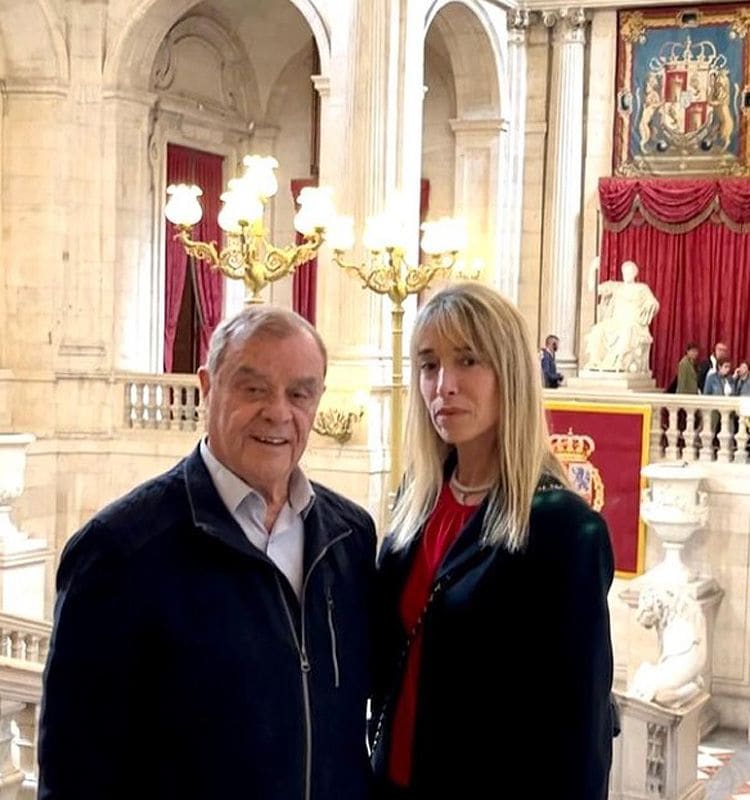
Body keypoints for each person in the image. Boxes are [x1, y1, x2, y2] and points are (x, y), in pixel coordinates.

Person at [39, 306, 377, 800]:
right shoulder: (120, 550)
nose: (278, 412)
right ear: (207, 387)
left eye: (299, 393)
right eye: (254, 388)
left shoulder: (350, 537)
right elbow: (75, 774)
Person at [371, 283, 615, 800]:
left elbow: (579, 726)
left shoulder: (563, 527)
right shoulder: (414, 501)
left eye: (468, 361)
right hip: (391, 785)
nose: (444, 385)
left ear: (510, 375)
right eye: (429, 365)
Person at [583, 260, 660, 373]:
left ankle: (620, 362)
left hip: (633, 323)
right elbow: (593, 289)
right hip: (615, 322)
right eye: (624, 273)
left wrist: (651, 304)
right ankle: (595, 361)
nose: (626, 276)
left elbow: (655, 303)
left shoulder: (642, 288)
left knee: (627, 329)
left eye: (629, 273)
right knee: (598, 330)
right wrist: (593, 269)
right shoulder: (616, 287)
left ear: (634, 274)